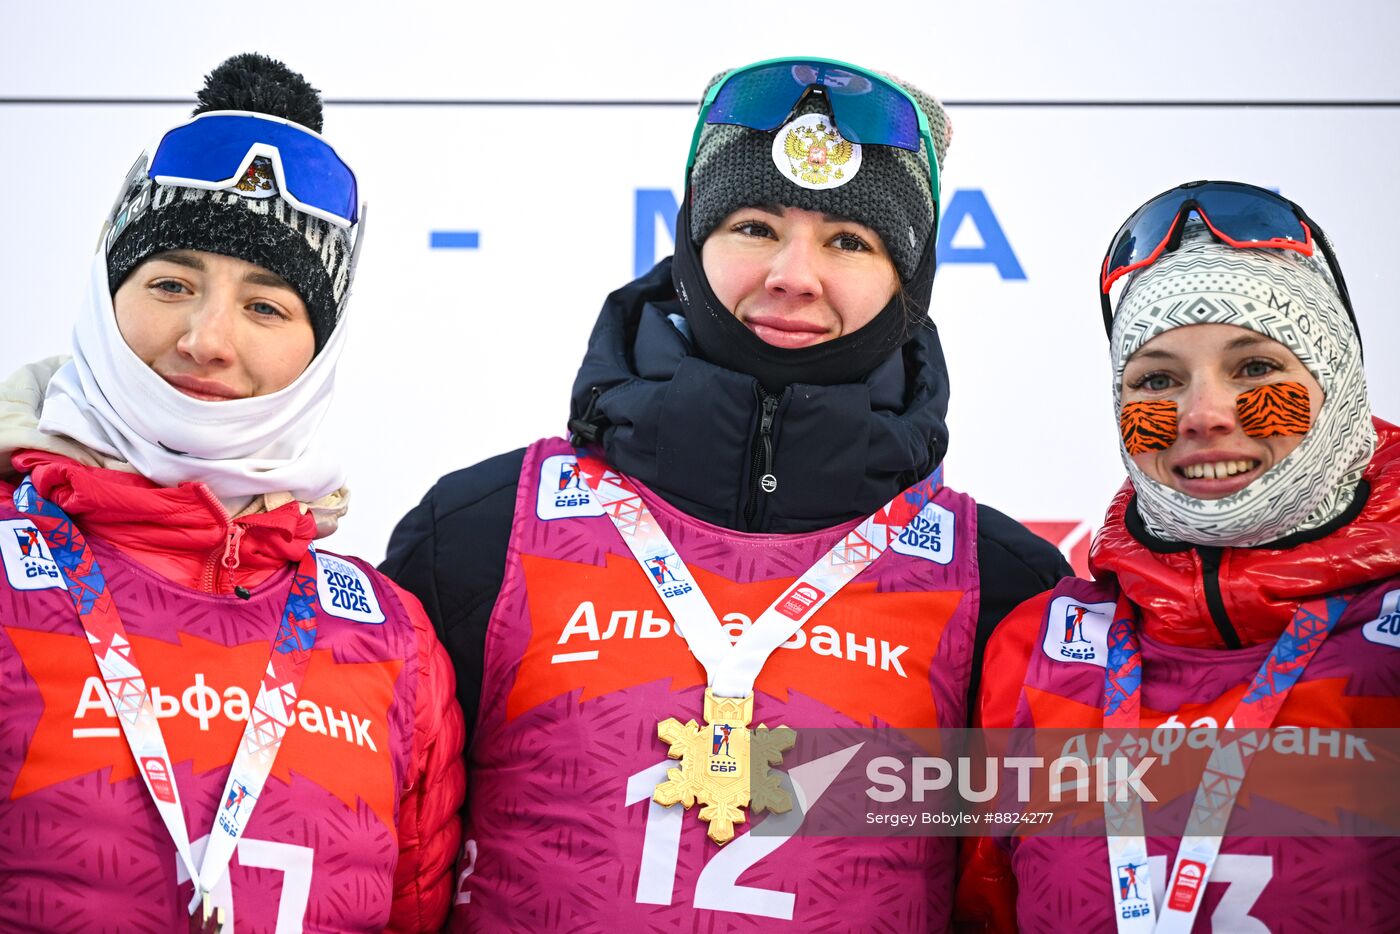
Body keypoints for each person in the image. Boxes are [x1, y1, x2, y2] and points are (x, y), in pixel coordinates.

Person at [384, 57, 1068, 929]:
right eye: (753, 225)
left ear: (910, 283)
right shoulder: (478, 530)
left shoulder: (1002, 590)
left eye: (849, 242)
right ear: (692, 245)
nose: (793, 273)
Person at [0, 54, 464, 931]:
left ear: (318, 349)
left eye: (266, 307)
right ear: (106, 301)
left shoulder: (388, 638)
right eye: (170, 284)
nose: (207, 340)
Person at [957, 181, 1400, 931]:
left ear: (1338, 383)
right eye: (1158, 379)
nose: (1203, 416)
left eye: (1255, 368)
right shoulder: (1036, 648)